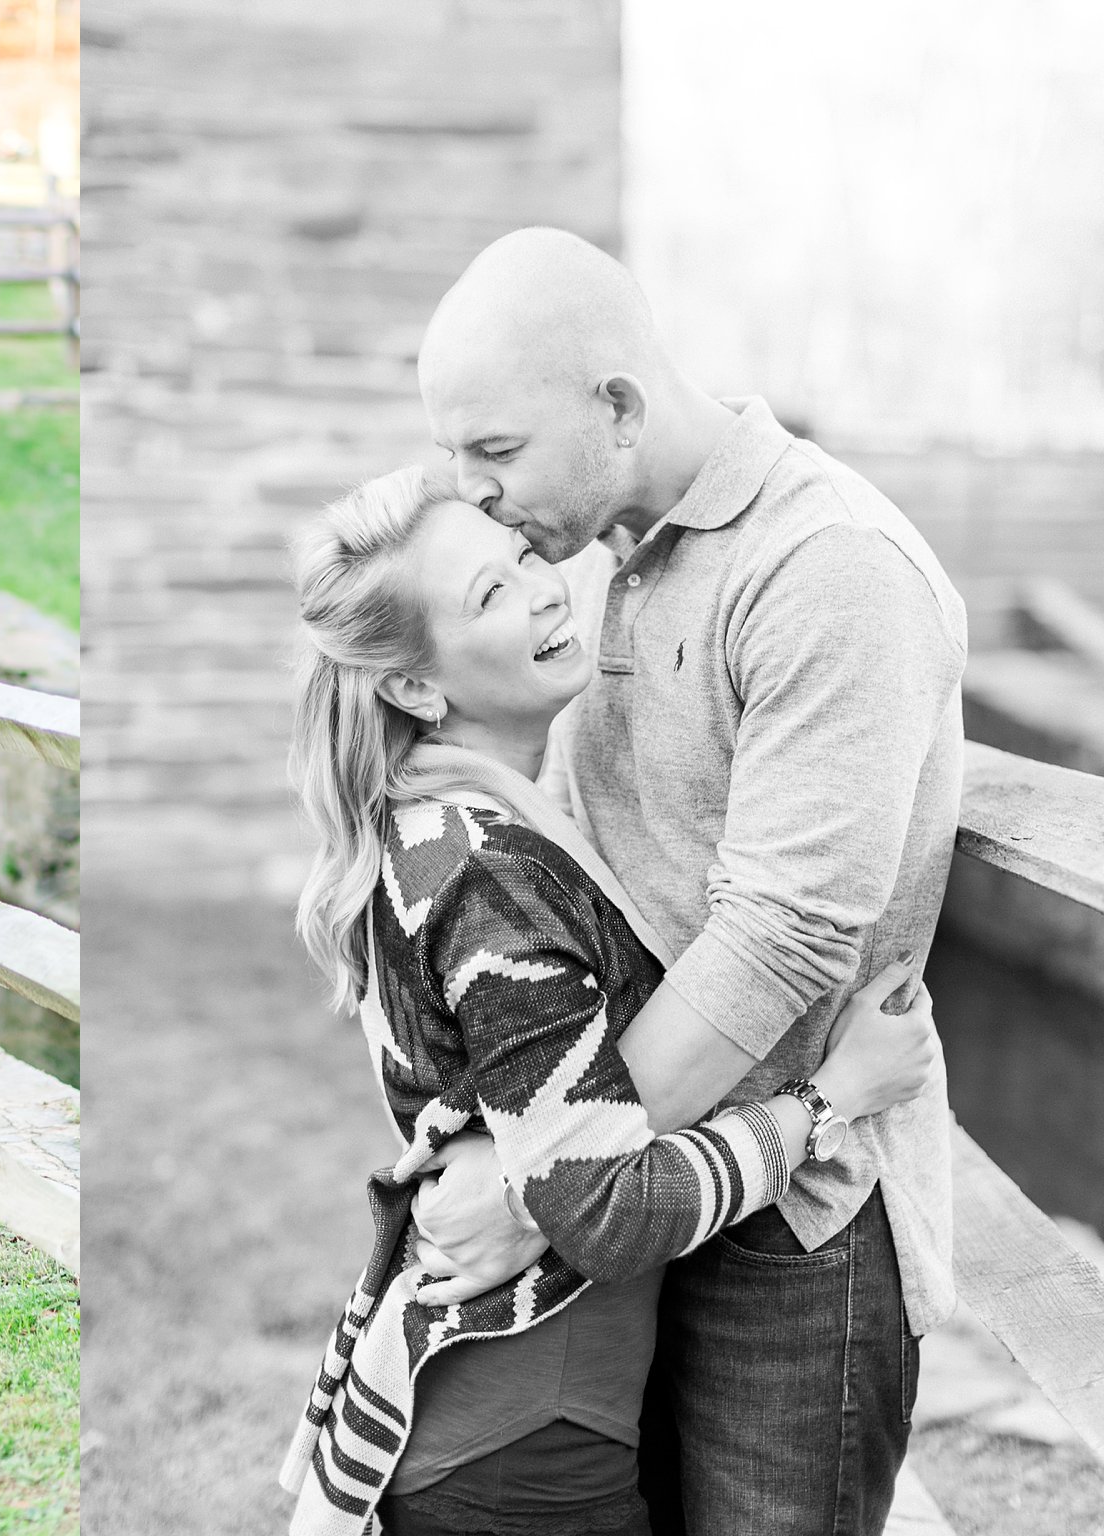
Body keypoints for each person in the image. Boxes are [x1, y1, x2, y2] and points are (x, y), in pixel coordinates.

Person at [401, 228, 969, 1534]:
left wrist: (547, 1180)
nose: (471, 492)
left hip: (797, 1228)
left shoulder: (825, 569)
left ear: (617, 407)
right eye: (454, 455)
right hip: (653, 1195)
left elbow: (781, 938)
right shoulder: (612, 548)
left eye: (495, 453)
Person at [276, 472, 940, 1536]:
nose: (543, 593)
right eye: (486, 596)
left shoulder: (453, 827)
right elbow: (605, 1209)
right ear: (412, 688)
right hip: (521, 1452)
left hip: (514, 1421)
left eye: (527, 563)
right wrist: (825, 1101)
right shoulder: (484, 873)